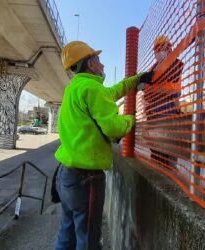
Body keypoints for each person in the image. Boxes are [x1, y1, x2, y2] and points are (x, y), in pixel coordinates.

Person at [54, 41, 153, 250]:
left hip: (66, 175)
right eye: (99, 60)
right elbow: (113, 129)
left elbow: (111, 93)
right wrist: (133, 120)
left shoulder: (75, 88)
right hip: (86, 179)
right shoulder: (92, 89)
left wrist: (135, 81)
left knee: (68, 232)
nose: (103, 65)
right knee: (89, 240)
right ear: (90, 64)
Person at [143, 35, 184, 168]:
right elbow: (147, 93)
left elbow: (173, 90)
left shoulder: (175, 64)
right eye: (157, 49)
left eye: (164, 48)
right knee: (156, 152)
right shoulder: (152, 69)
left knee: (168, 152)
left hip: (167, 113)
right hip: (153, 116)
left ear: (169, 49)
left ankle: (170, 171)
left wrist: (149, 88)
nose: (159, 51)